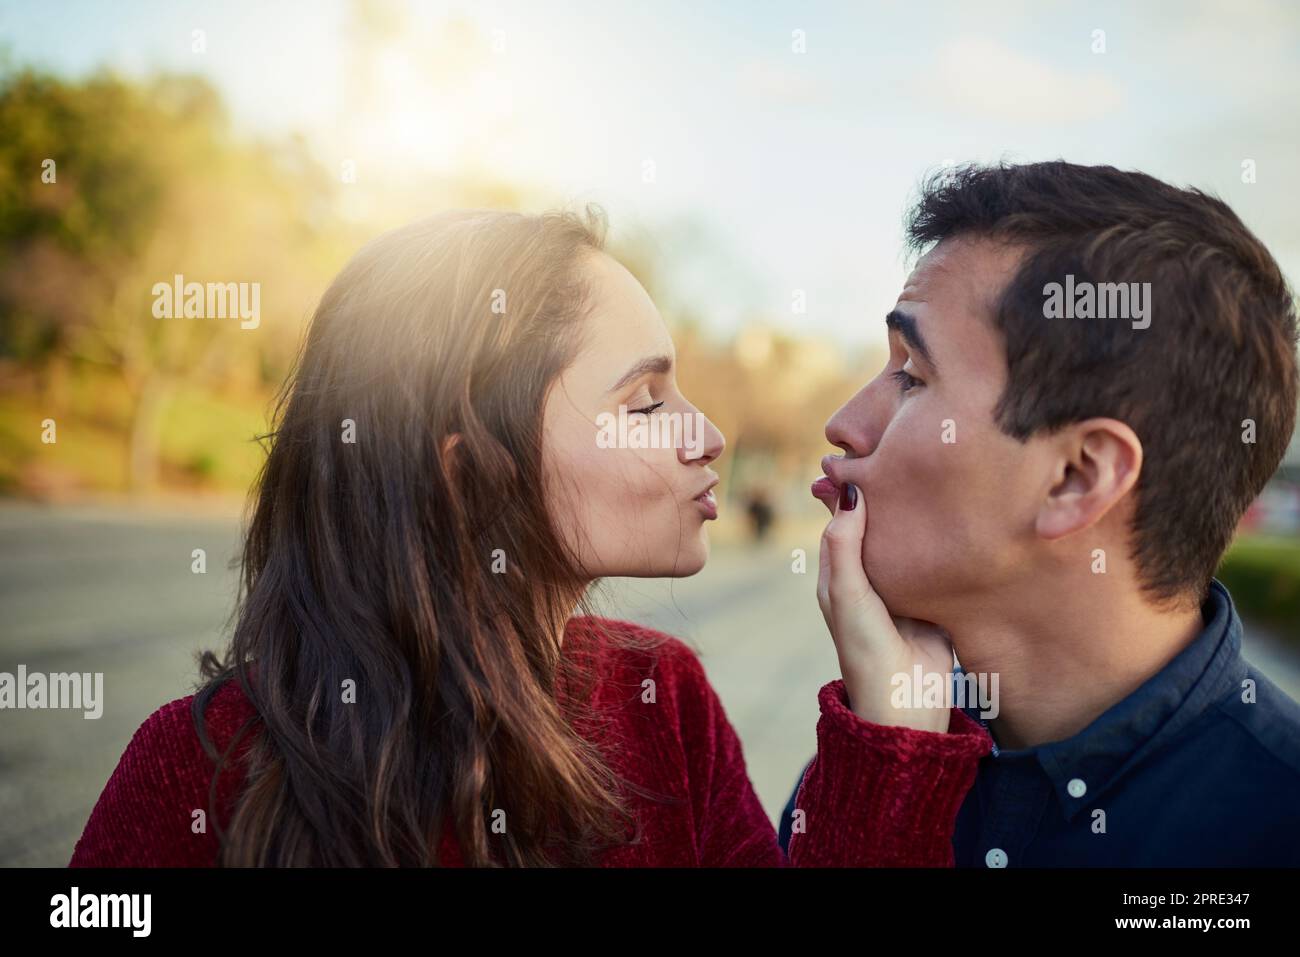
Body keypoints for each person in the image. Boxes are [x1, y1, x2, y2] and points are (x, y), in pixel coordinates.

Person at [69, 207, 990, 867]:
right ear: (468, 472)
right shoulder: (197, 765)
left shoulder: (662, 701)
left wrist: (889, 740)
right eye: (644, 401)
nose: (707, 436)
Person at [779, 161, 1300, 866]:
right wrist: (890, 778)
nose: (843, 424)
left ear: (1076, 477)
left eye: (913, 375)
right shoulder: (881, 742)